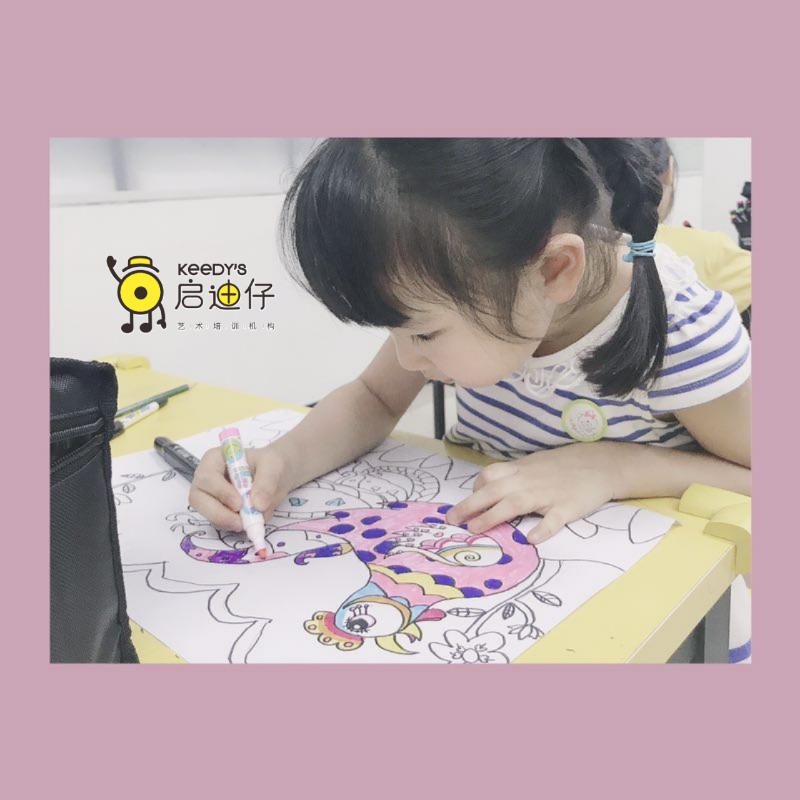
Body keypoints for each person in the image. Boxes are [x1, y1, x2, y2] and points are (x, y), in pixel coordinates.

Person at [190, 138, 751, 633]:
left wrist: (613, 468)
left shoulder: (681, 330)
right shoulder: (482, 285)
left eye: (423, 333)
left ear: (553, 270)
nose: (406, 359)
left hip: (659, 609)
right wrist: (283, 461)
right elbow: (374, 398)